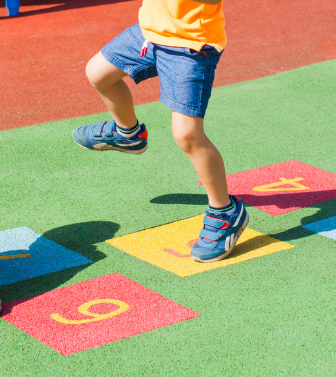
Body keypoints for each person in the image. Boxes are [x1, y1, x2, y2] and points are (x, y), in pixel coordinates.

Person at [72, 0, 248, 262]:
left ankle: (225, 212)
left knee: (187, 134)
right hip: (150, 32)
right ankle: (127, 133)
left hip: (191, 44)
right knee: (98, 72)